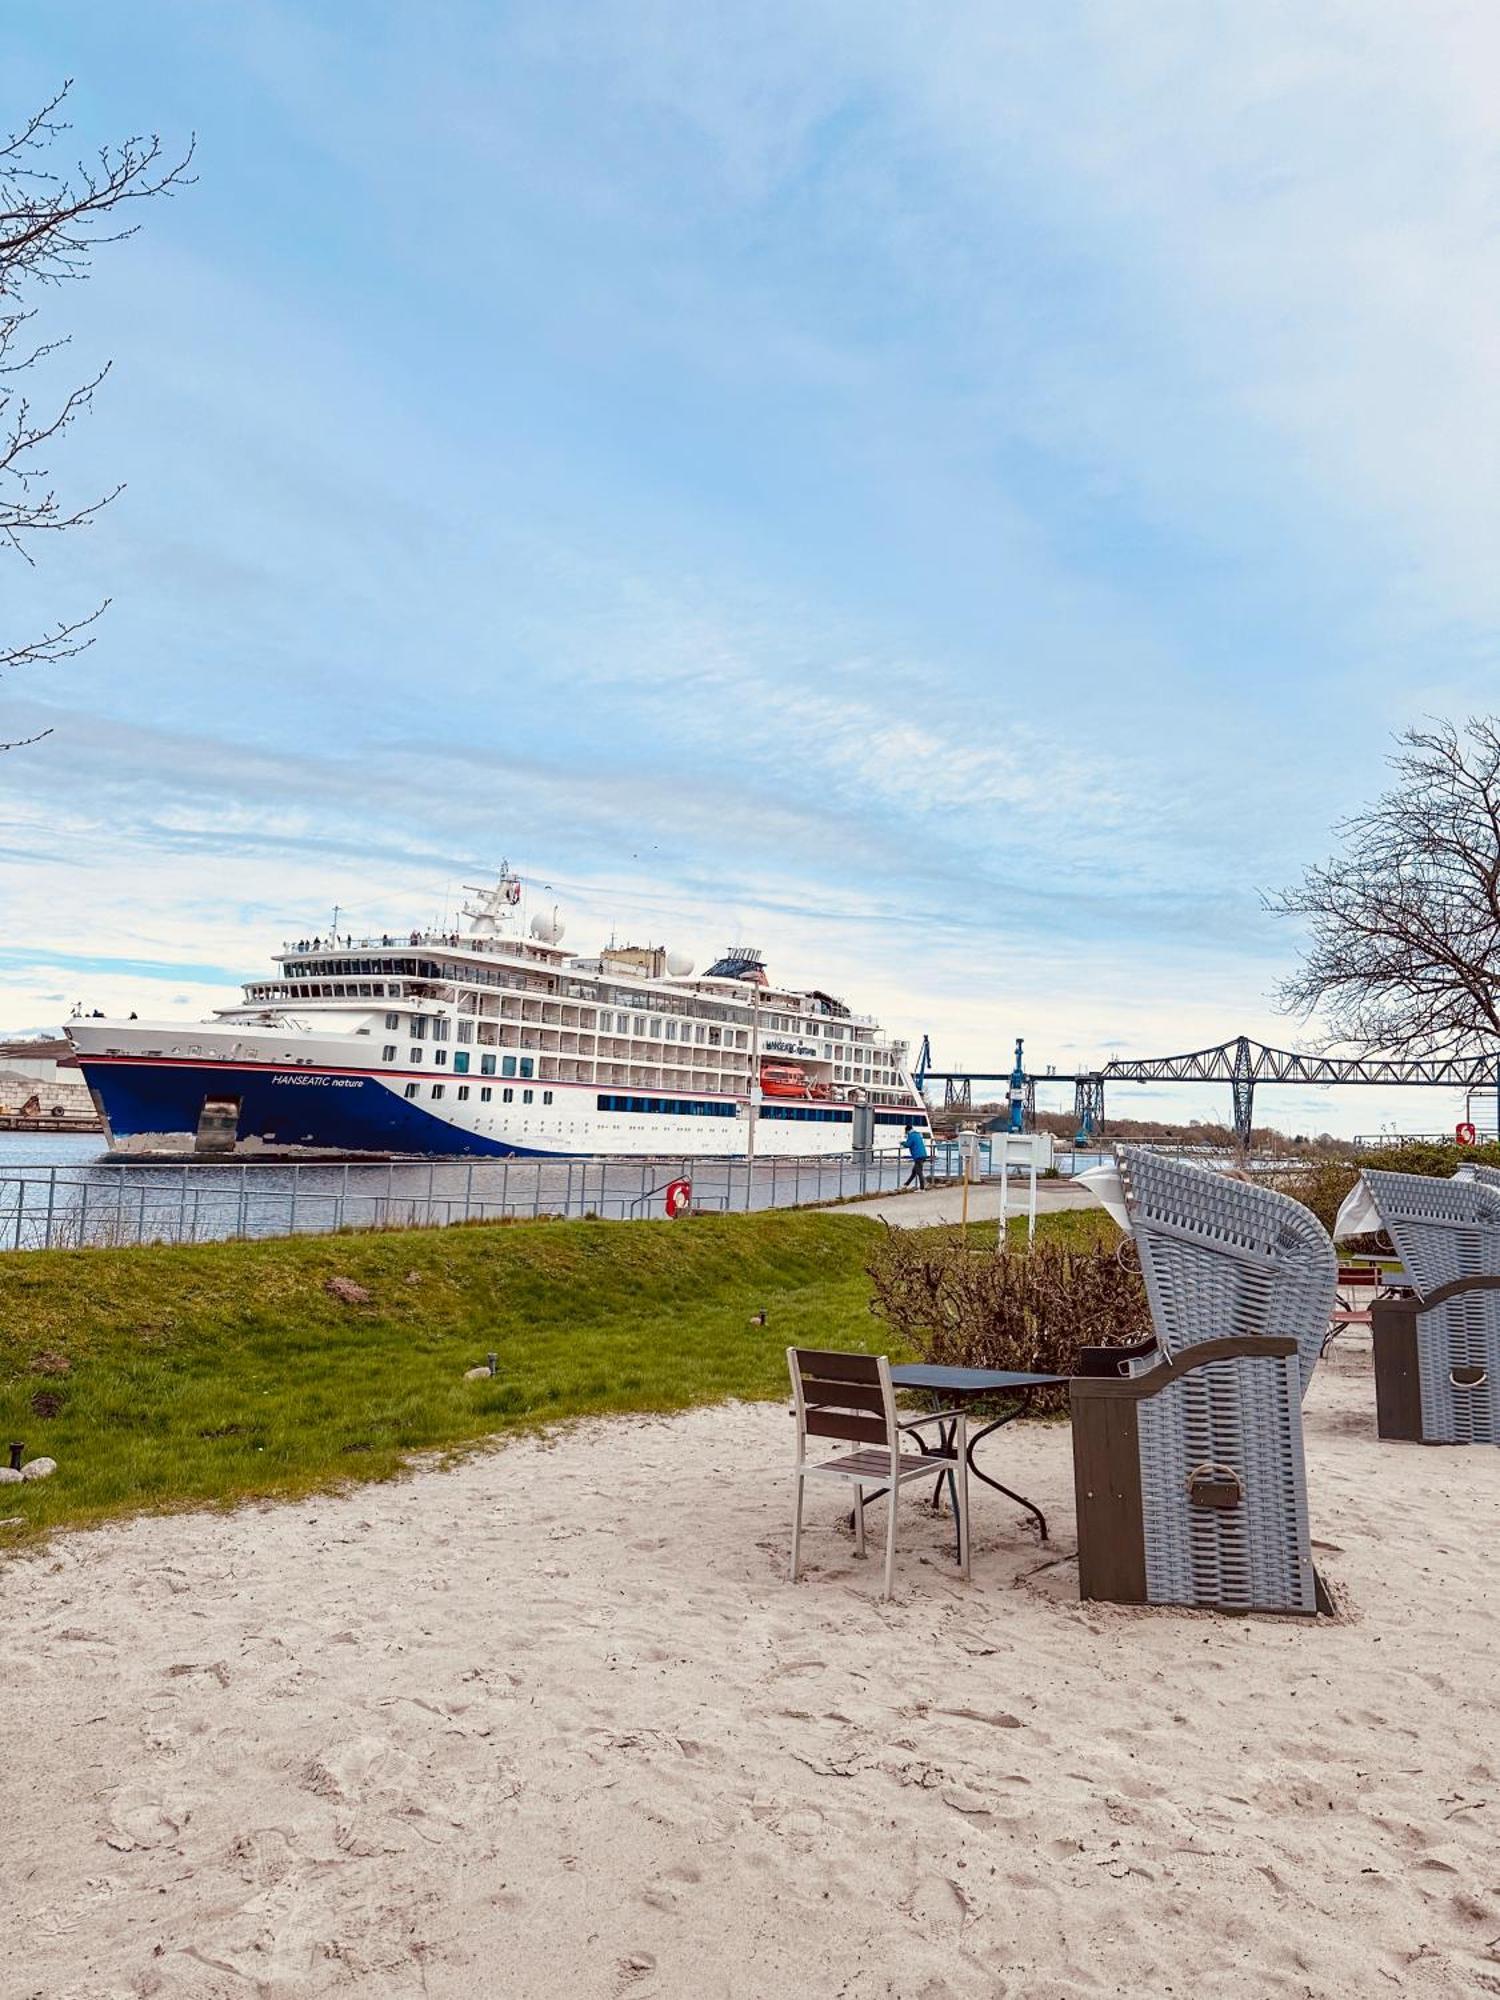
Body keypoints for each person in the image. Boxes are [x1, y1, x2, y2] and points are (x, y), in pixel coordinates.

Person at [903, 1120, 929, 1190]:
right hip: (923, 1155)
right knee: (914, 1172)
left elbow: (907, 1144)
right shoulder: (917, 1134)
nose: (906, 1133)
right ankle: (906, 1184)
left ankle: (922, 1188)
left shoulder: (911, 1135)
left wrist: (902, 1143)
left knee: (919, 1172)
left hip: (918, 1156)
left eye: (906, 1132)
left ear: (907, 1131)